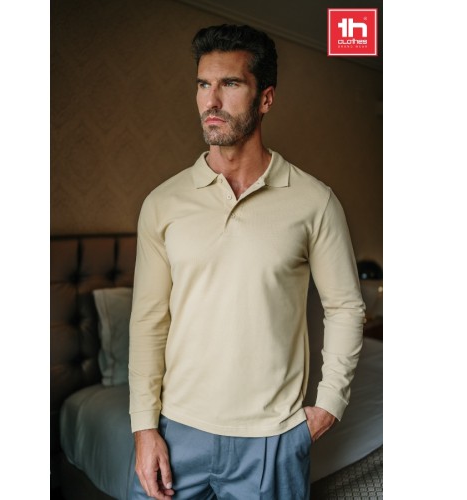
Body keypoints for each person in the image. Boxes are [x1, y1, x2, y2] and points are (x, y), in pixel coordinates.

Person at [129, 24, 365, 500]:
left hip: (272, 439)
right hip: (176, 431)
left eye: (230, 84)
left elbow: (345, 307)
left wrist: (329, 405)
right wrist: (143, 427)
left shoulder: (314, 202)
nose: (211, 100)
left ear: (266, 98)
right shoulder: (162, 203)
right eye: (203, 84)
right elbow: (149, 319)